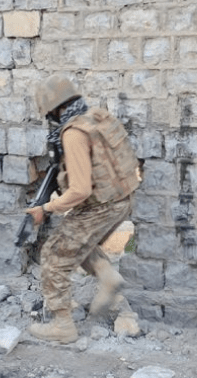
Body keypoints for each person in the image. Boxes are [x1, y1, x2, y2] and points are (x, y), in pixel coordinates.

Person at [26, 75, 141, 344]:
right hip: (121, 200)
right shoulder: (94, 117)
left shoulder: (73, 133)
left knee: (54, 254)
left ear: (54, 109)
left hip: (100, 207)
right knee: (77, 241)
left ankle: (63, 325)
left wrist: (47, 207)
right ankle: (107, 276)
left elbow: (79, 190)